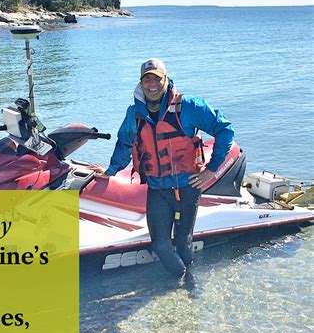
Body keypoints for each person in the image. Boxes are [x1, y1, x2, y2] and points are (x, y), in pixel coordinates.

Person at [91, 58, 234, 277]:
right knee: (160, 244)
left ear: (165, 78)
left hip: (188, 187)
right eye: (147, 79)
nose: (152, 84)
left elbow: (224, 130)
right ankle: (179, 282)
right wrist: (110, 172)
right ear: (141, 83)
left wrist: (212, 169)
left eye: (157, 78)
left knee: (184, 242)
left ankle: (188, 290)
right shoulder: (135, 113)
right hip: (158, 188)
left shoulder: (189, 106)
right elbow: (124, 144)